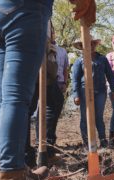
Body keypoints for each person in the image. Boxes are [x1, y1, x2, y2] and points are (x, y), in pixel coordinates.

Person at [0, 0, 95, 180]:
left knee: (3, 97)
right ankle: (12, 179)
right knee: (15, 97)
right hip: (23, 10)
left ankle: (13, 168)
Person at [72, 37, 114, 149]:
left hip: (100, 91)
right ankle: (87, 142)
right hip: (84, 92)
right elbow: (75, 79)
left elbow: (110, 75)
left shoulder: (102, 59)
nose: (89, 46)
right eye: (86, 44)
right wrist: (76, 95)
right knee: (85, 117)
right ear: (82, 47)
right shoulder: (79, 61)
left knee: (98, 116)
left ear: (94, 45)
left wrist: (113, 89)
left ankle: (103, 140)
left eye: (91, 44)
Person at [35, 24, 69, 158]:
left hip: (50, 75)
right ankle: (41, 147)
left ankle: (46, 144)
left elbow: (65, 68)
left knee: (53, 103)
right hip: (39, 66)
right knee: (32, 107)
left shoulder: (60, 49)